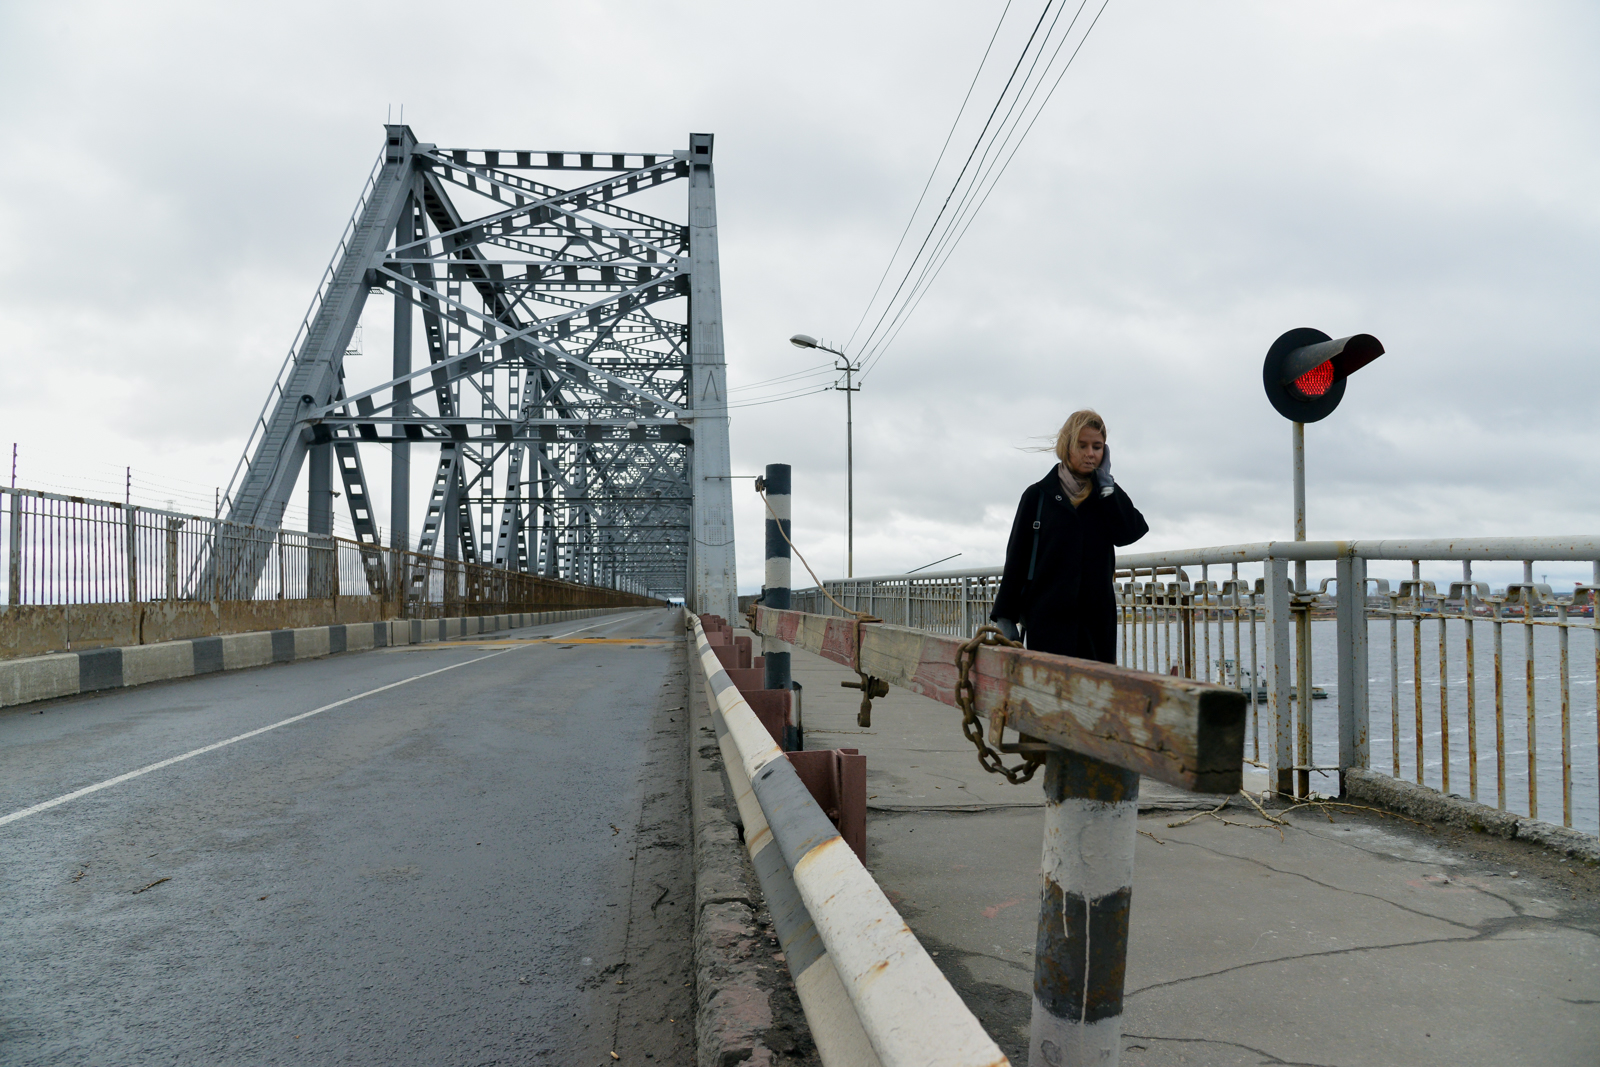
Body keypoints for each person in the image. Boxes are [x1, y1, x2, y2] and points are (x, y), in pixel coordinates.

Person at [990, 409, 1148, 662]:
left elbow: (1130, 532)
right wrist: (1004, 616)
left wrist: (1108, 488)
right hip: (1047, 619)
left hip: (1096, 621)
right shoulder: (1038, 495)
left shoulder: (1104, 496)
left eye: (1097, 447)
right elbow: (1017, 558)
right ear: (1067, 446)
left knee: (1095, 694)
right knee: (1049, 693)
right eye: (1082, 445)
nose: (1090, 453)